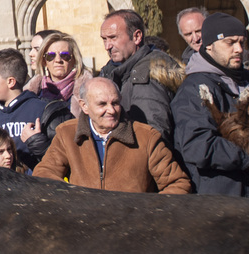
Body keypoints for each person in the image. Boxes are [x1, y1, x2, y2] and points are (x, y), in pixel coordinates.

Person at [32, 77, 191, 194]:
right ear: (84, 106)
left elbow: (178, 183)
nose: (112, 110)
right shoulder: (66, 134)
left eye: (115, 103)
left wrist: (149, 214)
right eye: (102, 104)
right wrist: (74, 200)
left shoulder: (146, 137)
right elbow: (44, 174)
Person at [170, 13, 249, 195]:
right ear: (209, 46)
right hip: (222, 200)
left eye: (241, 42)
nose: (238, 49)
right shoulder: (194, 89)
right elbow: (199, 145)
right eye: (230, 43)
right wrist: (245, 157)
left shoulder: (245, 80)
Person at [99, 9, 181, 140]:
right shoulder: (111, 71)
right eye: (104, 39)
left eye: (113, 38)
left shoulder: (146, 75)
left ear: (136, 37)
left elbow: (152, 135)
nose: (107, 46)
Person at [33, 32, 89, 118]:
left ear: (74, 59)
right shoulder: (34, 95)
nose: (58, 60)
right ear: (44, 61)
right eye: (51, 56)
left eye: (65, 55)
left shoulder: (87, 91)